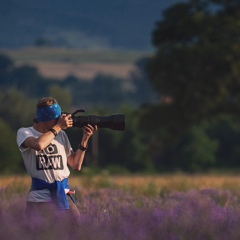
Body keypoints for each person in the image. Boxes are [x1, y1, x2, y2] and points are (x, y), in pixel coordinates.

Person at [16, 97, 97, 219]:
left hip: (64, 194)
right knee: (36, 233)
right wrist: (58, 127)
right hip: (39, 198)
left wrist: (85, 139)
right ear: (44, 119)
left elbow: (76, 164)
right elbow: (39, 145)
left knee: (77, 231)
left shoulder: (61, 135)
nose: (59, 121)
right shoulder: (25, 133)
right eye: (56, 119)